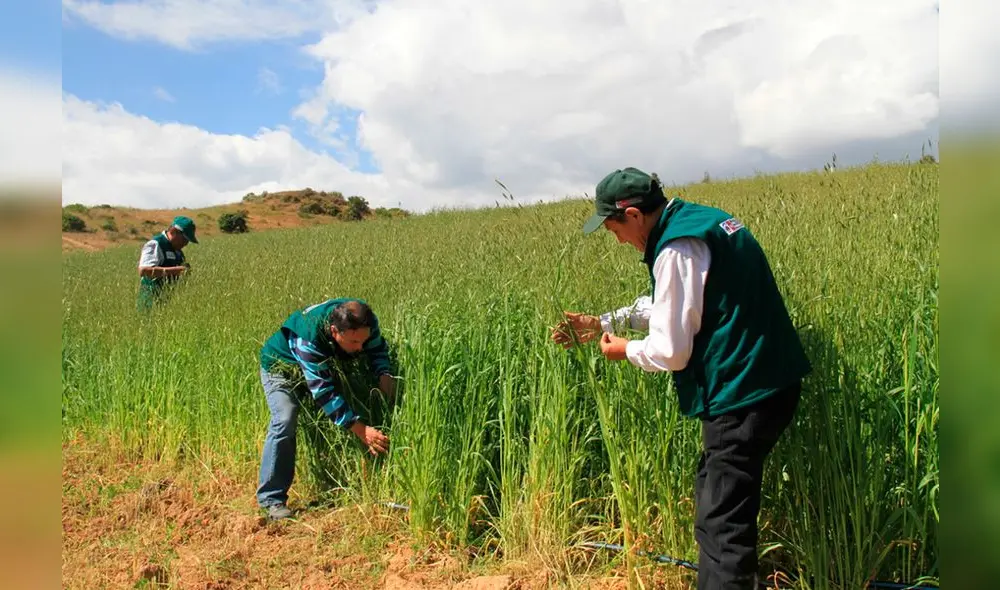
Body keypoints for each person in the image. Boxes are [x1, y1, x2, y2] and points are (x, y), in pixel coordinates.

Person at [552, 167, 811, 590]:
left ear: (633, 215)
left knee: (723, 524)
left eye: (613, 227)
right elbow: (680, 304)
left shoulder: (676, 248)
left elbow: (671, 350)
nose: (615, 239)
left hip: (741, 392)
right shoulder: (703, 221)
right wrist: (599, 322)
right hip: (765, 382)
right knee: (714, 503)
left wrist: (623, 350)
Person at [257, 297, 397, 520]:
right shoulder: (308, 338)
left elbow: (378, 348)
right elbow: (324, 392)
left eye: (363, 341)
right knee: (285, 418)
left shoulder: (363, 322)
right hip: (281, 368)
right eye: (353, 343)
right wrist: (362, 430)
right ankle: (272, 499)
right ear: (334, 331)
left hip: (321, 365)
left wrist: (384, 374)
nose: (360, 348)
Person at [137, 215, 198, 309]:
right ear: (174, 232)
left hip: (167, 304)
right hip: (149, 303)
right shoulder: (156, 244)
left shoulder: (178, 252)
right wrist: (176, 270)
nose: (186, 243)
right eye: (185, 239)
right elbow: (144, 271)